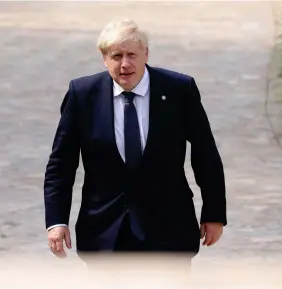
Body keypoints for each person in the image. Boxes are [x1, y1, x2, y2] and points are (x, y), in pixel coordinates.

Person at [43, 17, 227, 266]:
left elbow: (206, 155)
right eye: (116, 56)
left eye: (132, 54)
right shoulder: (83, 94)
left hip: (168, 228)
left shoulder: (178, 90)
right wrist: (56, 221)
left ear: (146, 54)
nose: (125, 64)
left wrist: (214, 213)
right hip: (104, 231)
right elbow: (61, 164)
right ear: (104, 58)